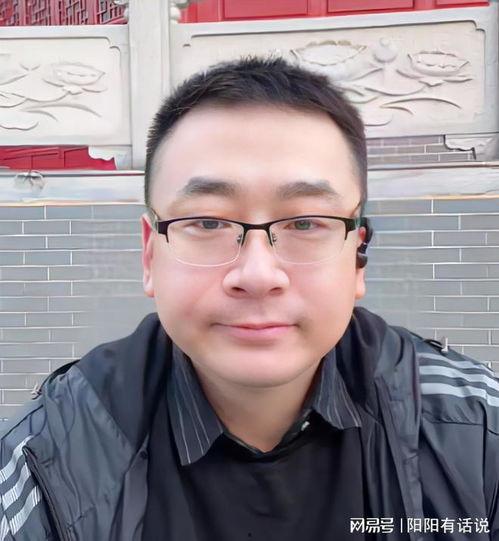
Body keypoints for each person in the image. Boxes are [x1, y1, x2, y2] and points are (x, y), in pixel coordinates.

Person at [0, 56, 497, 541]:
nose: (258, 275)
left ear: (357, 255)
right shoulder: (47, 458)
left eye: (305, 222)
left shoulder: (474, 432)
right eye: (208, 222)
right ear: (150, 255)